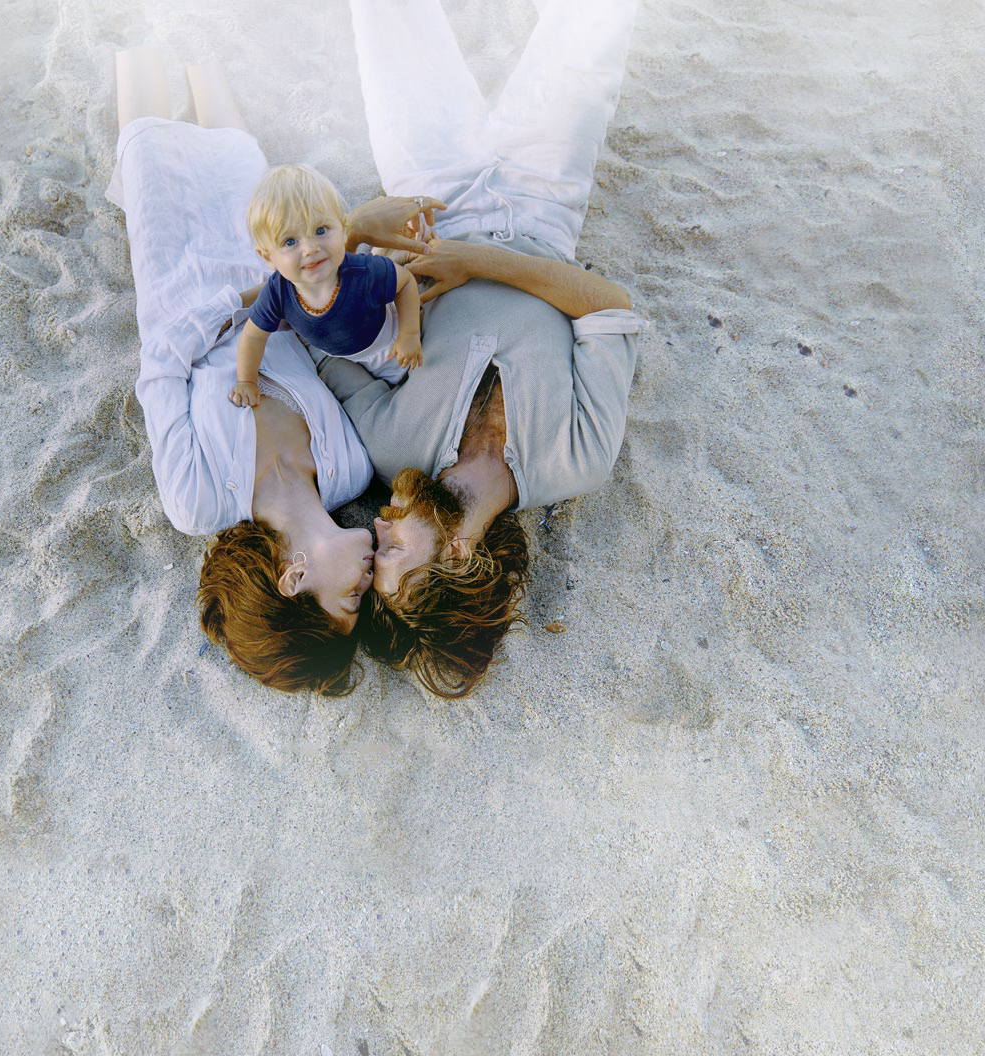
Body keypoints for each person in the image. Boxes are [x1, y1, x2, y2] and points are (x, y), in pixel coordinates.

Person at [325, 0, 647, 697]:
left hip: (426, 194)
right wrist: (478, 262)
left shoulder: (390, 448)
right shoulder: (576, 461)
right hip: (545, 198)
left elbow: (322, 339)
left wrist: (359, 245)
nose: (376, 525)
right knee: (598, 22)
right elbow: (608, 308)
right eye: (393, 551)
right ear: (461, 556)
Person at [108, 51, 408, 694]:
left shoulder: (200, 502)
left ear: (294, 579)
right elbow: (328, 342)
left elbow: (159, 368)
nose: (367, 586)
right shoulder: (350, 468)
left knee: (145, 143)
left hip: (184, 283)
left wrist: (245, 298)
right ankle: (204, 46)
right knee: (236, 145)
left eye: (350, 601)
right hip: (272, 268)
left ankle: (141, 42)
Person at [232, 164, 422, 408]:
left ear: (343, 231)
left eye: (320, 230)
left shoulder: (362, 272)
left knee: (414, 370)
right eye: (290, 241)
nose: (310, 248)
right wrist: (246, 381)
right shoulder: (277, 292)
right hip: (342, 357)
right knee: (354, 398)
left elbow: (405, 283)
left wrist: (409, 334)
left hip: (389, 340)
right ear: (268, 257)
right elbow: (253, 336)